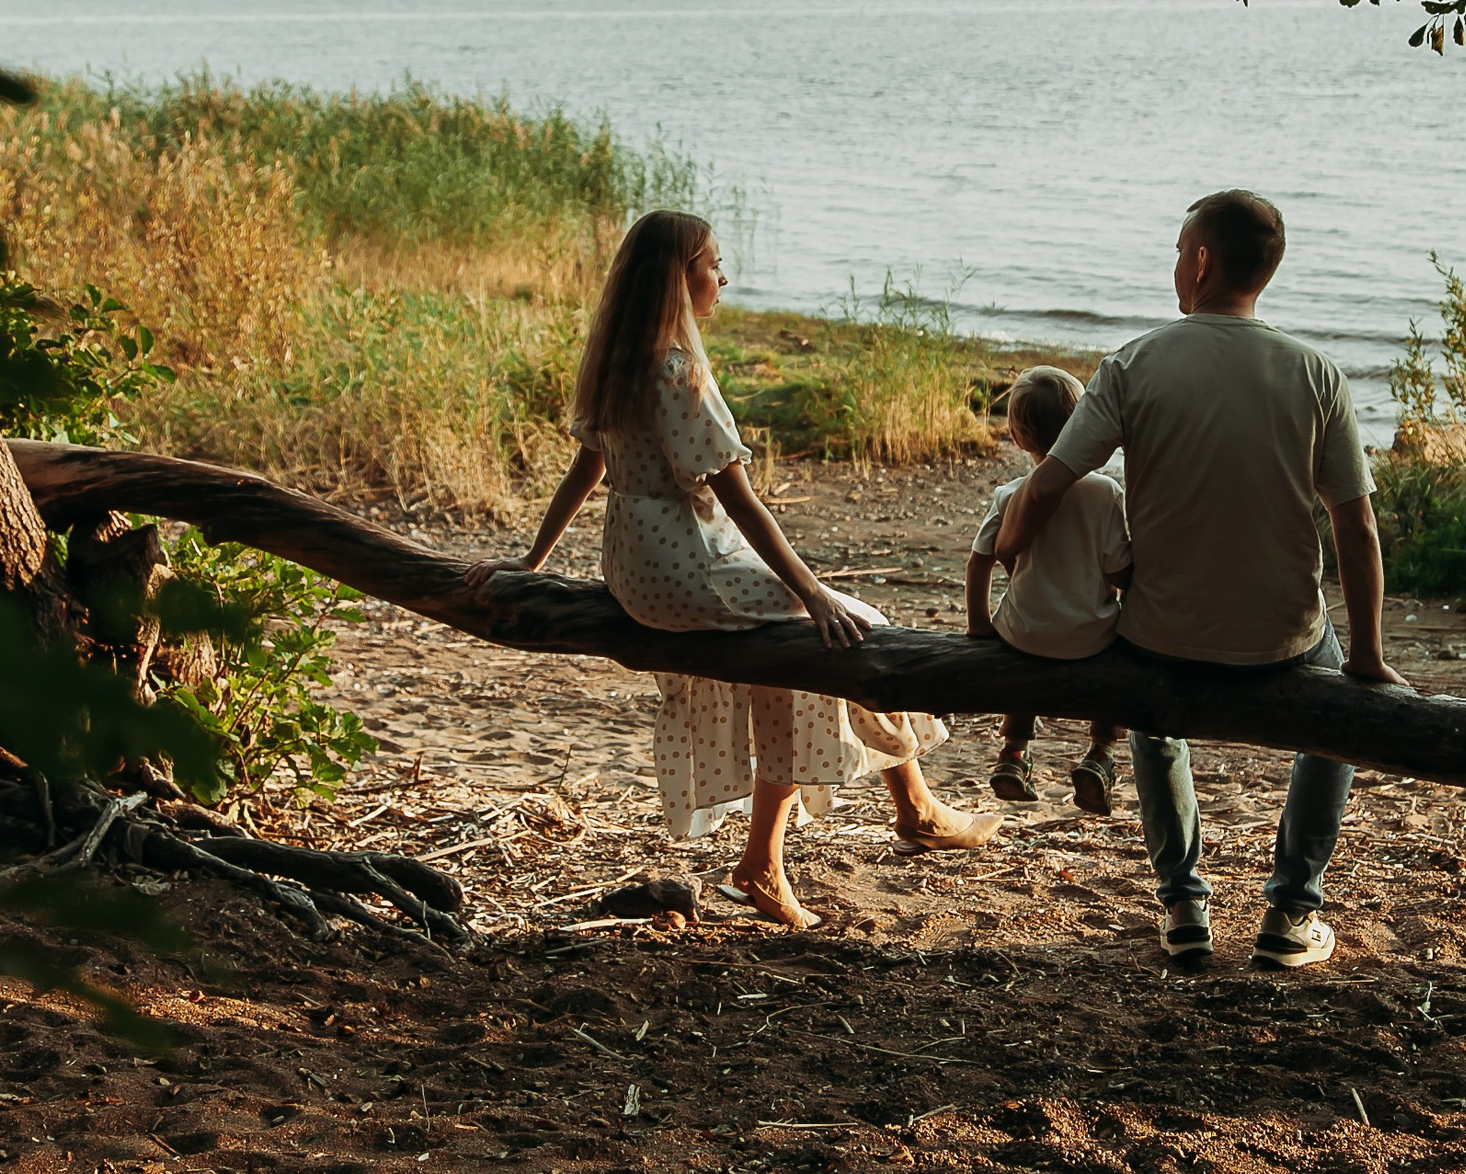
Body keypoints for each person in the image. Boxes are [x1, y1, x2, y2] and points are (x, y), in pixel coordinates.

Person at [464, 210, 999, 929]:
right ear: (679, 278)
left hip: (634, 567)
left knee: (796, 656)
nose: (724, 277)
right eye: (713, 264)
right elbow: (740, 502)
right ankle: (876, 824)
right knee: (849, 630)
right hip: (690, 566)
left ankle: (837, 838)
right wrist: (811, 592)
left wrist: (534, 559)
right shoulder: (677, 371)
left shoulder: (616, 358)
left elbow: (586, 469)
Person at [995, 189, 1407, 971]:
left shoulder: (1135, 363)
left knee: (1153, 717)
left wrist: (1006, 556)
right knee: (1338, 724)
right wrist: (1367, 656)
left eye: (1179, 251)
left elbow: (1047, 484)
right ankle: (1290, 913)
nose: (1176, 264)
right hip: (1284, 638)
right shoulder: (1316, 373)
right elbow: (1355, 526)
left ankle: (1183, 905)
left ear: (1203, 260)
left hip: (1165, 638)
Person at [965, 365, 1132, 813]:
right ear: (1083, 428)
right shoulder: (1104, 492)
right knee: (1120, 666)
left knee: (1024, 665)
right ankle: (1100, 753)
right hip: (1091, 637)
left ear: (1017, 438)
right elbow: (1119, 570)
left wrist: (980, 626)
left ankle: (1013, 754)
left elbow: (979, 562)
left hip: (1023, 632)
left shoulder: (1008, 495)